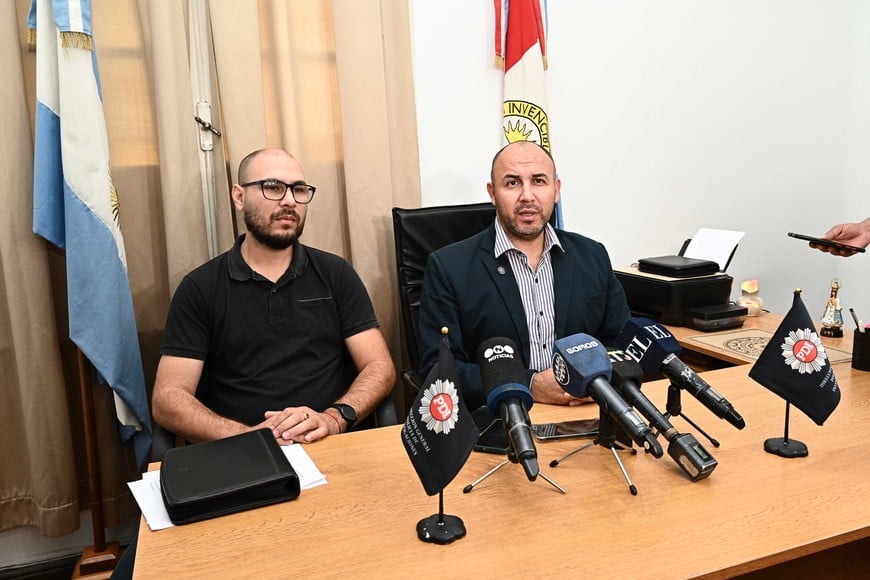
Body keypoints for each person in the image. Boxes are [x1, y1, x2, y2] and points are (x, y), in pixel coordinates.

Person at [152, 148, 395, 446]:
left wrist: (333, 419)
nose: (290, 200)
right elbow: (168, 399)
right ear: (239, 197)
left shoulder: (335, 274)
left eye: (299, 189)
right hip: (240, 453)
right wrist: (250, 438)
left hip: (329, 446)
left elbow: (379, 367)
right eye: (273, 187)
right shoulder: (200, 288)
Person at [417, 141, 631, 411]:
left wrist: (598, 381)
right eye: (512, 183)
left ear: (556, 190)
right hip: (502, 419)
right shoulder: (448, 267)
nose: (527, 196)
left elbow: (620, 343)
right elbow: (439, 370)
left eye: (539, 181)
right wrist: (530, 384)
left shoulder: (592, 255)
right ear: (493, 193)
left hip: (586, 413)